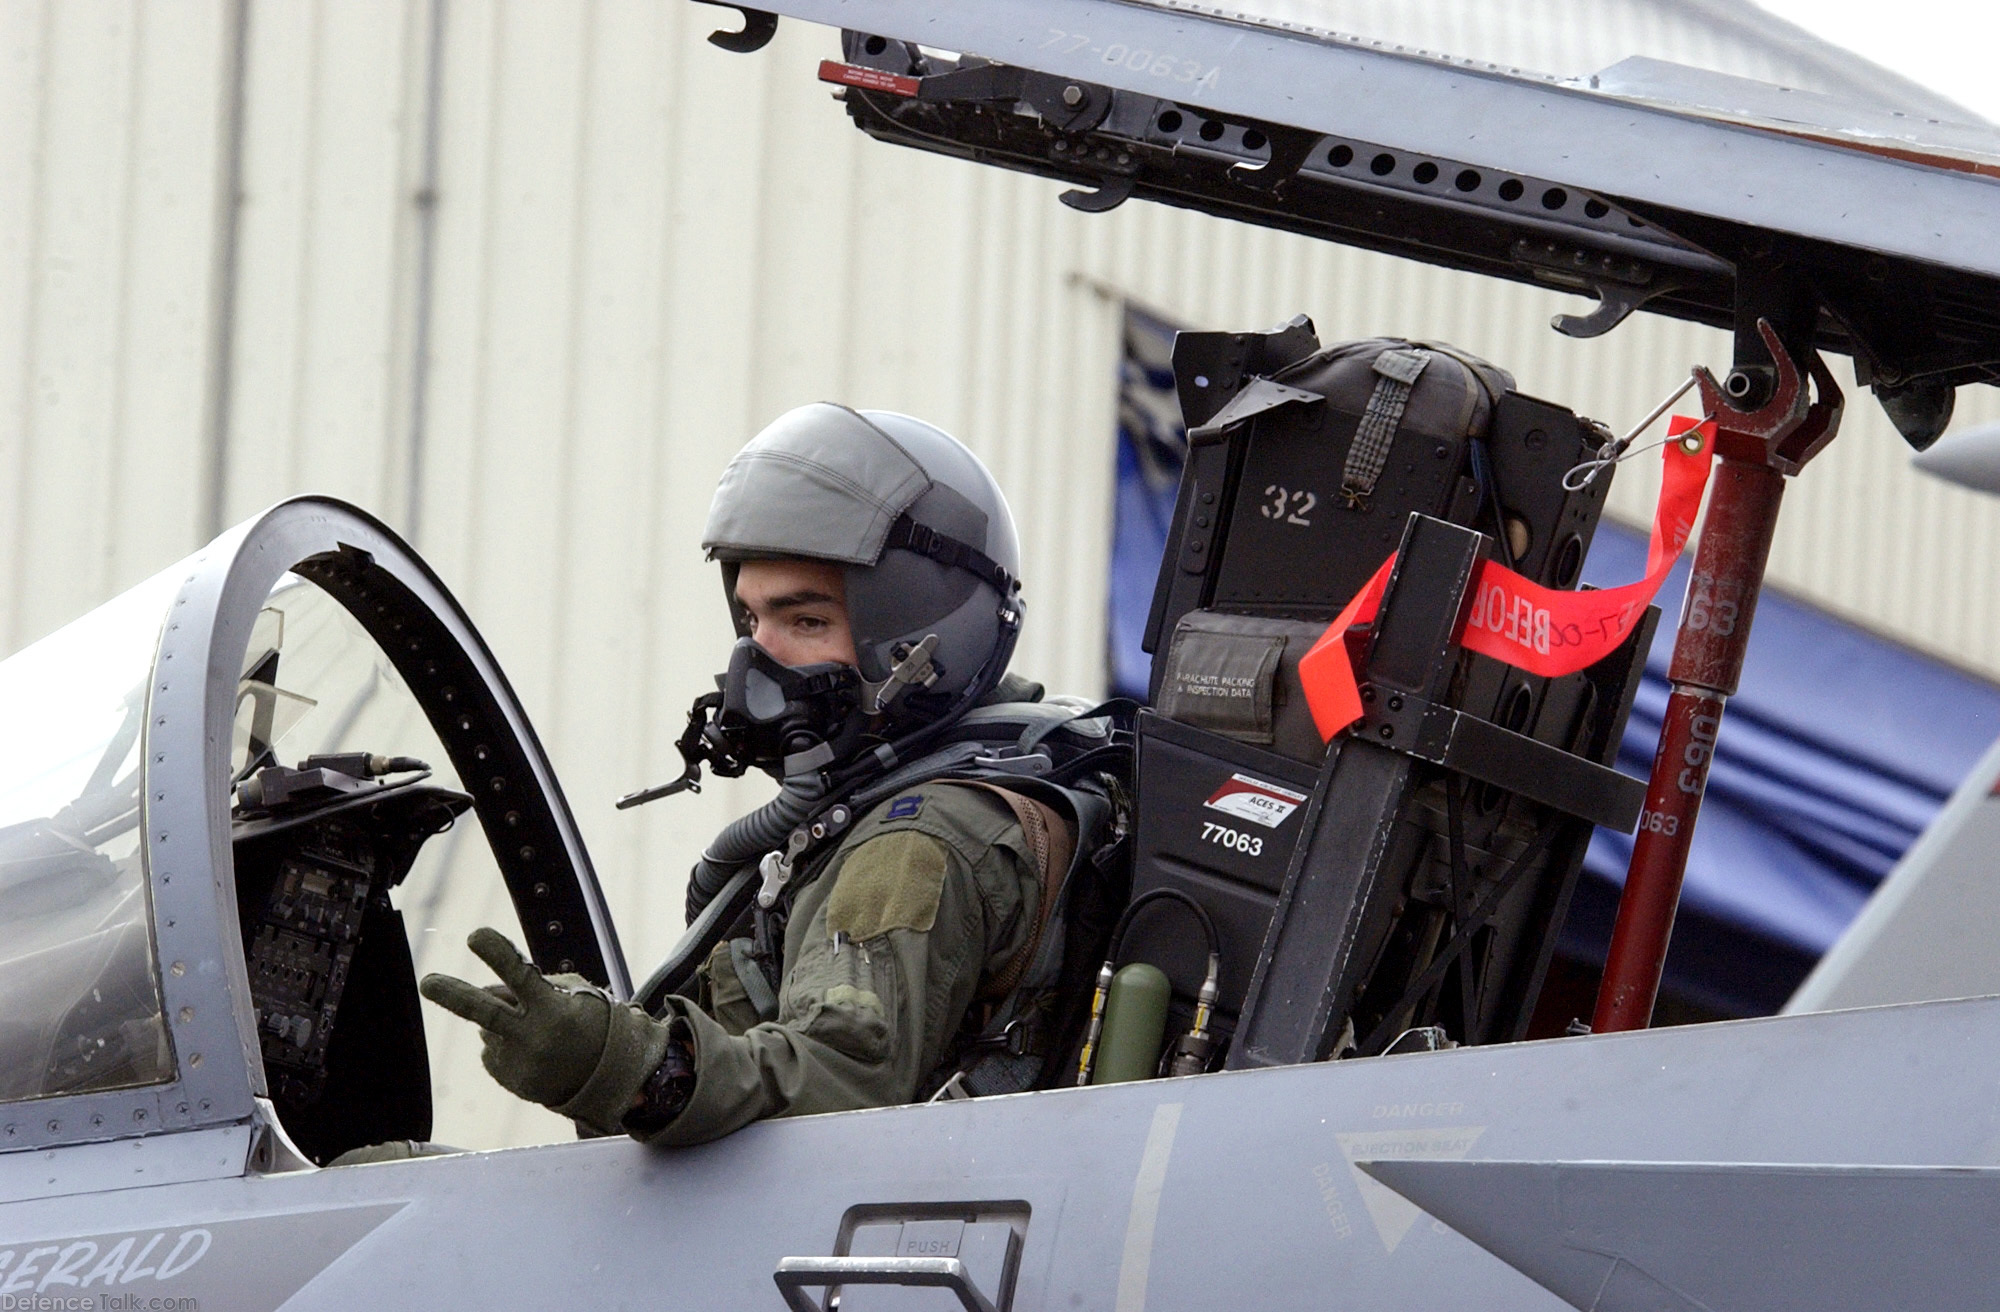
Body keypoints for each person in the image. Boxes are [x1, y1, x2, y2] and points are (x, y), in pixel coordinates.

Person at [420, 403, 1072, 1145]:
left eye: (805, 622)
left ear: (918, 645)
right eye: (750, 620)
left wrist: (620, 1063)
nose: (752, 664)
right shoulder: (1029, 754)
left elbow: (837, 1082)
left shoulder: (914, 842)